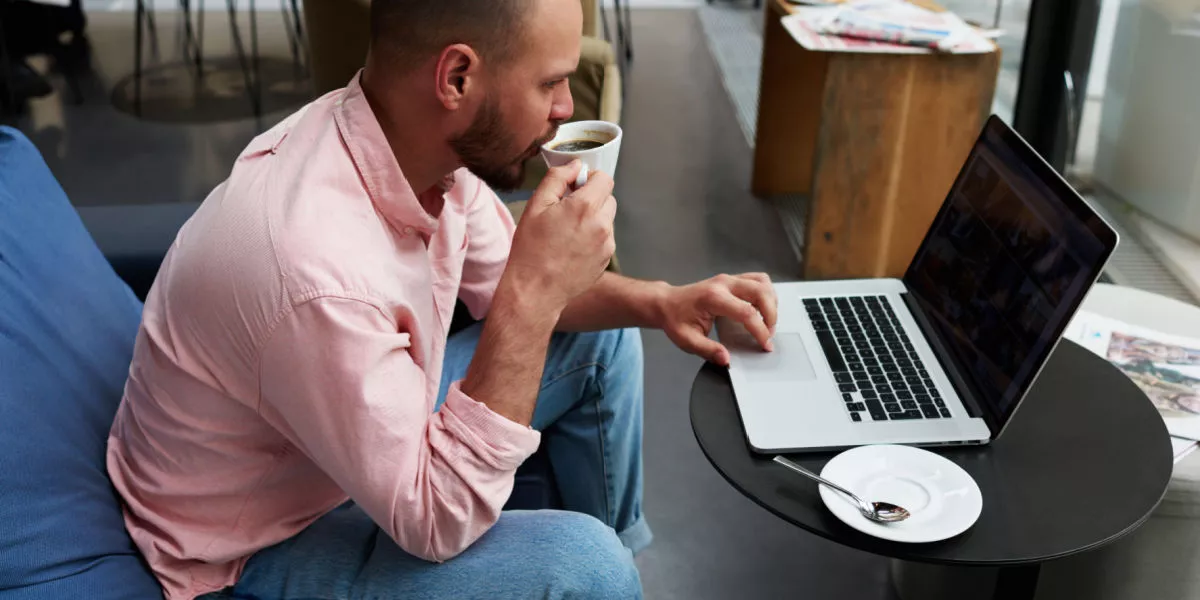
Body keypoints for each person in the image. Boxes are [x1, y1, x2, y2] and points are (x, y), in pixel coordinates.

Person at [105, 0, 777, 598]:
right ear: (457, 78)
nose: (567, 108)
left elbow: (510, 280)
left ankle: (625, 571)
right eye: (549, 82)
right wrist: (535, 290)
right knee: (587, 567)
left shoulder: (417, 151)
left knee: (603, 337)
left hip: (322, 440)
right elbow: (435, 520)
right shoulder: (315, 269)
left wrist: (665, 300)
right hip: (245, 547)